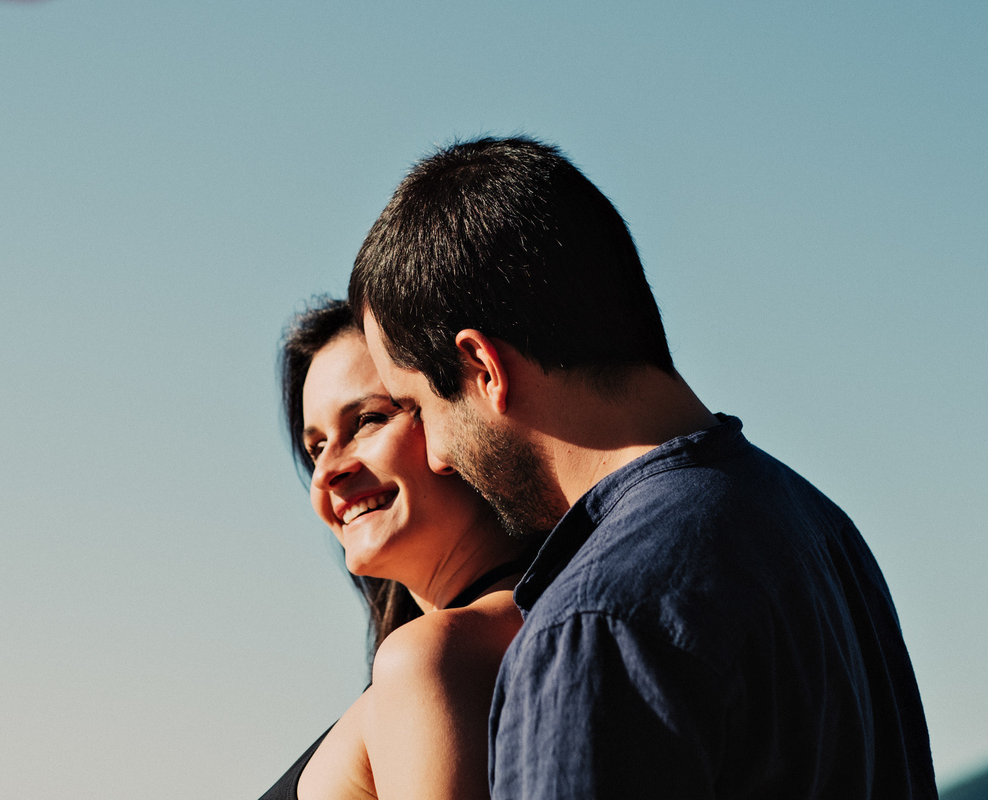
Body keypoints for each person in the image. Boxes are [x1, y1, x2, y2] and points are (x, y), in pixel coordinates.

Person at [349, 136, 939, 799]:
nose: (435, 455)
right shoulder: (823, 531)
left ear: (484, 368)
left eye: (419, 406)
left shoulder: (594, 625)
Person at [260, 297, 534, 800]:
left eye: (366, 420)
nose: (325, 473)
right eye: (316, 447)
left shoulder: (426, 661)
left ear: (453, 414)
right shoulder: (534, 625)